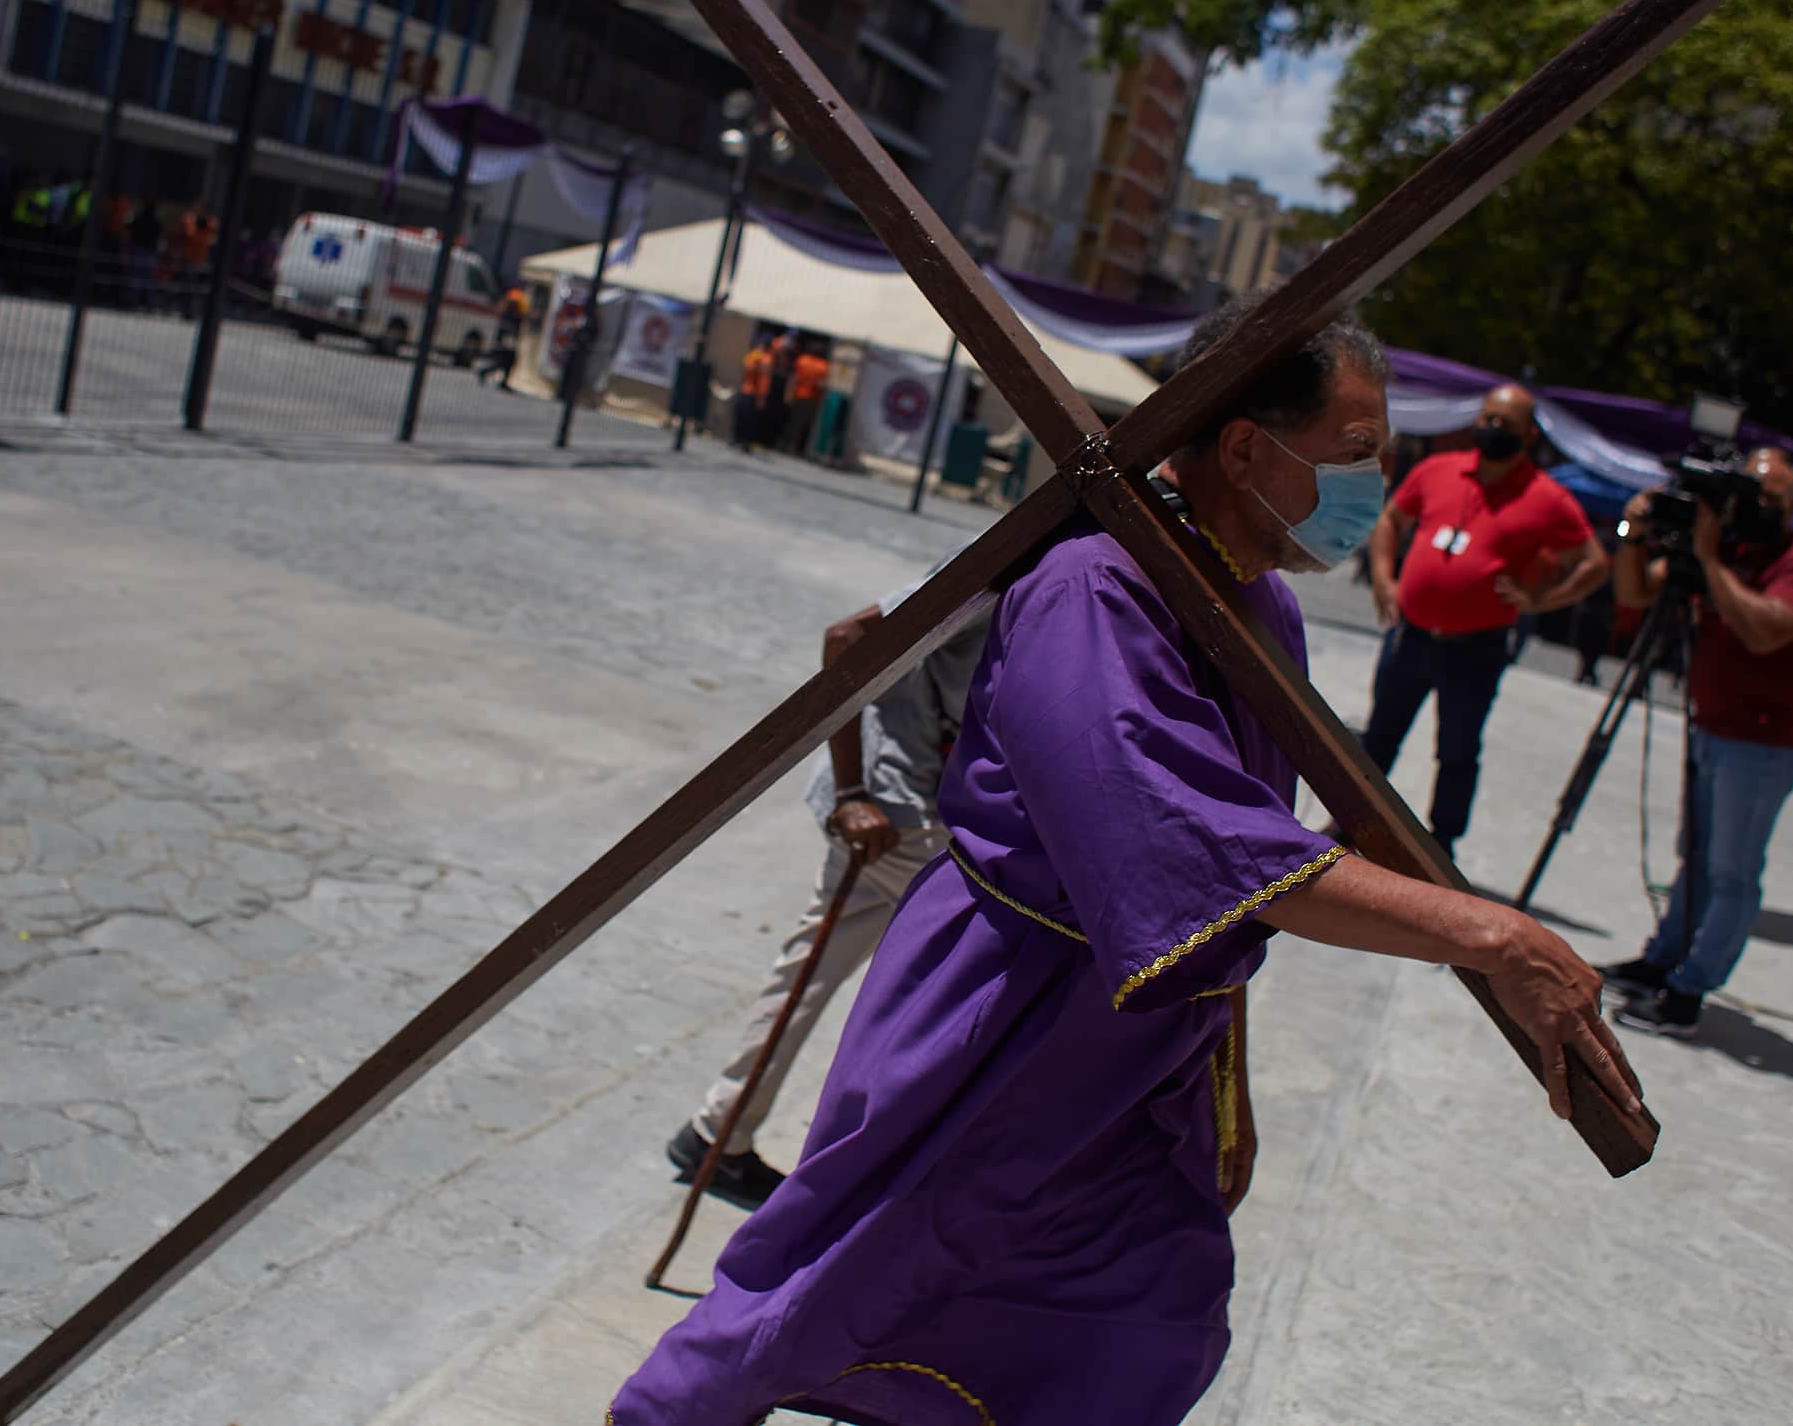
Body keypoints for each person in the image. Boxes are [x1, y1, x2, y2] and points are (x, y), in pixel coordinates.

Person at [611, 306, 1643, 1426]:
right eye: (1353, 452)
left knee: (1142, 1316)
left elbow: (1246, 844)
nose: (1373, 482)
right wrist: (1490, 932)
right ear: (1245, 447)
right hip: (1008, 1021)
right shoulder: (1093, 590)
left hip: (1138, 1047)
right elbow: (1194, 844)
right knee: (844, 1282)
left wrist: (1261, 1051)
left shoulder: (1263, 602)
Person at [666, 573, 994, 1209]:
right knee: (964, 984)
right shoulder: (1025, 564)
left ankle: (718, 1133)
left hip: (913, 813)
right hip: (898, 817)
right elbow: (846, 637)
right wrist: (850, 793)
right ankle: (856, 1176)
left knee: (812, 971)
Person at [1599, 448, 1793, 1036]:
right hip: (1712, 729)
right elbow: (1634, 594)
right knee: (1697, 860)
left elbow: (1764, 631)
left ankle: (1689, 991)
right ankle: (1662, 959)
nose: (1758, 510)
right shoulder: (1727, 550)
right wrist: (1635, 533)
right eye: (1750, 495)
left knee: (1732, 870)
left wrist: (1708, 557)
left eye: (1773, 500)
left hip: (1763, 744)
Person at [1359, 385, 1608, 860]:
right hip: (1410, 635)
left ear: (1529, 435)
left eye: (1506, 425)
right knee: (1378, 738)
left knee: (1456, 749)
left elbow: (1594, 562)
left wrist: (1541, 601)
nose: (1492, 430)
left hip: (1475, 647)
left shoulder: (1547, 498)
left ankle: (1441, 842)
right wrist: (1384, 580)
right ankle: (1352, 825)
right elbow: (1391, 518)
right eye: (1488, 418)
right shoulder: (1439, 469)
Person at [782, 339, 831, 457]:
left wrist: (788, 394)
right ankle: (798, 448)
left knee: (794, 422)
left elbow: (794, 378)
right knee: (806, 425)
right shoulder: (824, 366)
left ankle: (788, 445)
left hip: (799, 395)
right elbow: (823, 384)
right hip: (812, 398)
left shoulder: (802, 360)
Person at [477, 287, 525, 388]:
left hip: (506, 336)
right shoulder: (513, 305)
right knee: (505, 359)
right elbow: (510, 323)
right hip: (507, 337)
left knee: (506, 359)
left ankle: (501, 379)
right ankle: (485, 372)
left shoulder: (512, 304)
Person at [735, 334, 776, 450]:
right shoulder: (766, 359)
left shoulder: (754, 355)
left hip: (747, 391)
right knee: (751, 420)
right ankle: (745, 442)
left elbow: (746, 368)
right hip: (753, 393)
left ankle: (740, 440)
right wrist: (762, 398)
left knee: (744, 417)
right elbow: (764, 380)